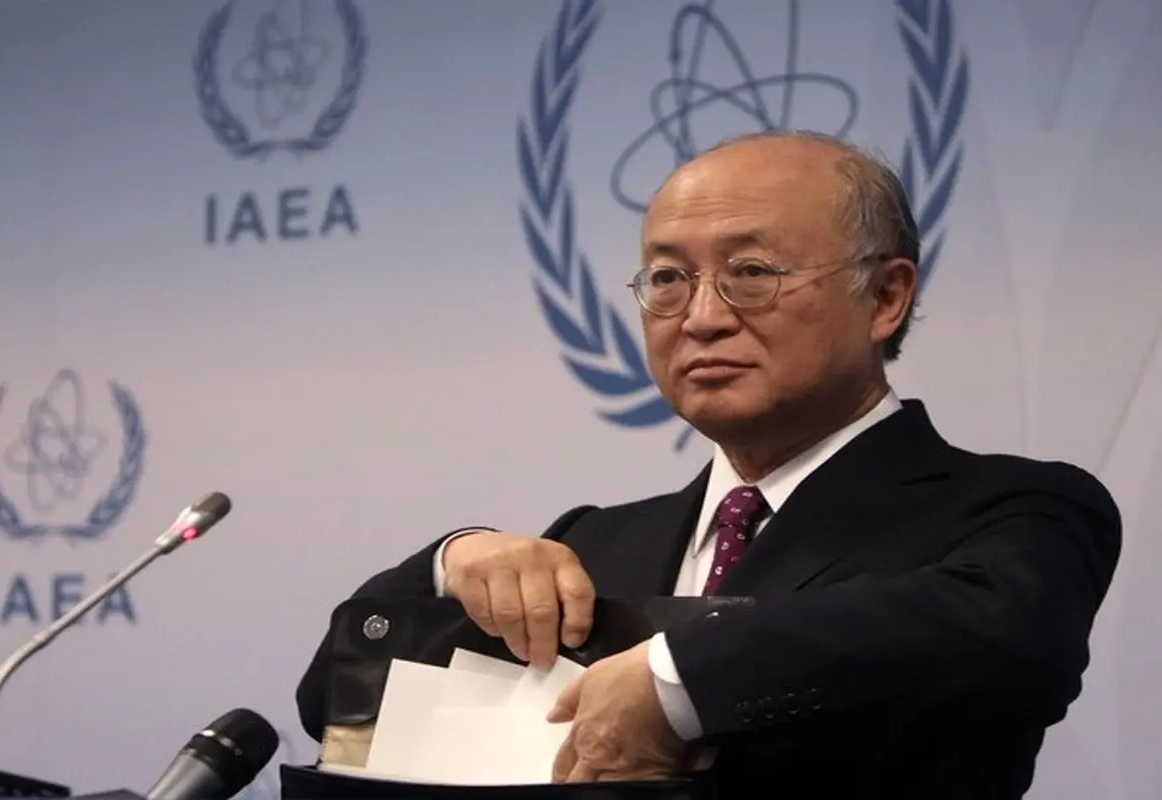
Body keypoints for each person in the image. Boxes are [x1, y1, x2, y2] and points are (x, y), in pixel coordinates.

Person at [295, 131, 1121, 798]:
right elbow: (334, 703)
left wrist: (674, 679)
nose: (700, 317)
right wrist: (451, 562)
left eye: (750, 273)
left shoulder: (1016, 509)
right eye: (668, 278)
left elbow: (1002, 635)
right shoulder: (593, 544)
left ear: (885, 297)